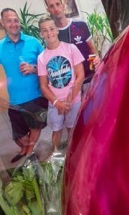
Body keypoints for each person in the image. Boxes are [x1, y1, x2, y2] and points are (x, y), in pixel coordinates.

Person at [0, 8, 48, 164]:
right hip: (15, 100)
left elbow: (48, 65)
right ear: (3, 23)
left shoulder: (34, 42)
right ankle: (26, 149)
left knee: (35, 127)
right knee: (18, 135)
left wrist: (34, 69)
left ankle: (29, 153)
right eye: (9, 20)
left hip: (36, 96)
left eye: (16, 20)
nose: (14, 23)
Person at [36, 16, 85, 153]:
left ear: (57, 29)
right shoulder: (41, 58)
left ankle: (72, 153)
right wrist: (57, 103)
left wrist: (69, 100)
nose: (49, 33)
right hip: (55, 102)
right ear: (41, 34)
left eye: (51, 28)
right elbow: (44, 86)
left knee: (72, 128)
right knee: (56, 130)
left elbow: (80, 75)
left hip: (73, 101)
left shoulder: (71, 48)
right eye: (45, 30)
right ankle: (55, 156)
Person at [44, 0, 98, 92]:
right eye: (51, 6)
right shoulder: (52, 35)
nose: (56, 9)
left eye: (57, 4)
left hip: (90, 80)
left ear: (63, 5)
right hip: (71, 87)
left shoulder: (80, 25)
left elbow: (92, 50)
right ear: (48, 10)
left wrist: (94, 64)